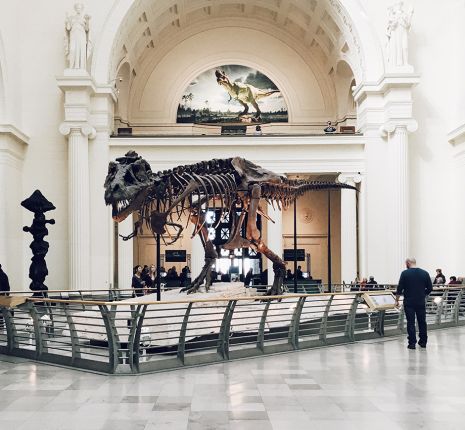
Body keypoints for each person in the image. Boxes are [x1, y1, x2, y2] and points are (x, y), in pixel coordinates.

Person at [396, 257, 433, 349]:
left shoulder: (405, 273)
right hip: (421, 301)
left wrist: (396, 300)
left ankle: (412, 343)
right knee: (422, 322)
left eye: (406, 263)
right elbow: (430, 288)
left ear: (408, 263)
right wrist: (423, 294)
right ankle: (423, 342)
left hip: (409, 302)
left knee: (410, 322)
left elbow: (400, 288)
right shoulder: (425, 273)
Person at [65, 3, 91, 70]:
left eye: (79, 8)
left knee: (80, 50)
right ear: (75, 9)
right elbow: (68, 28)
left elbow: (87, 29)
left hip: (81, 36)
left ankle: (81, 67)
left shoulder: (84, 18)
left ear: (81, 9)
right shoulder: (72, 18)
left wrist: (87, 21)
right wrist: (67, 20)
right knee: (72, 49)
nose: (78, 9)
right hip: (73, 35)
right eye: (77, 8)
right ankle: (72, 66)